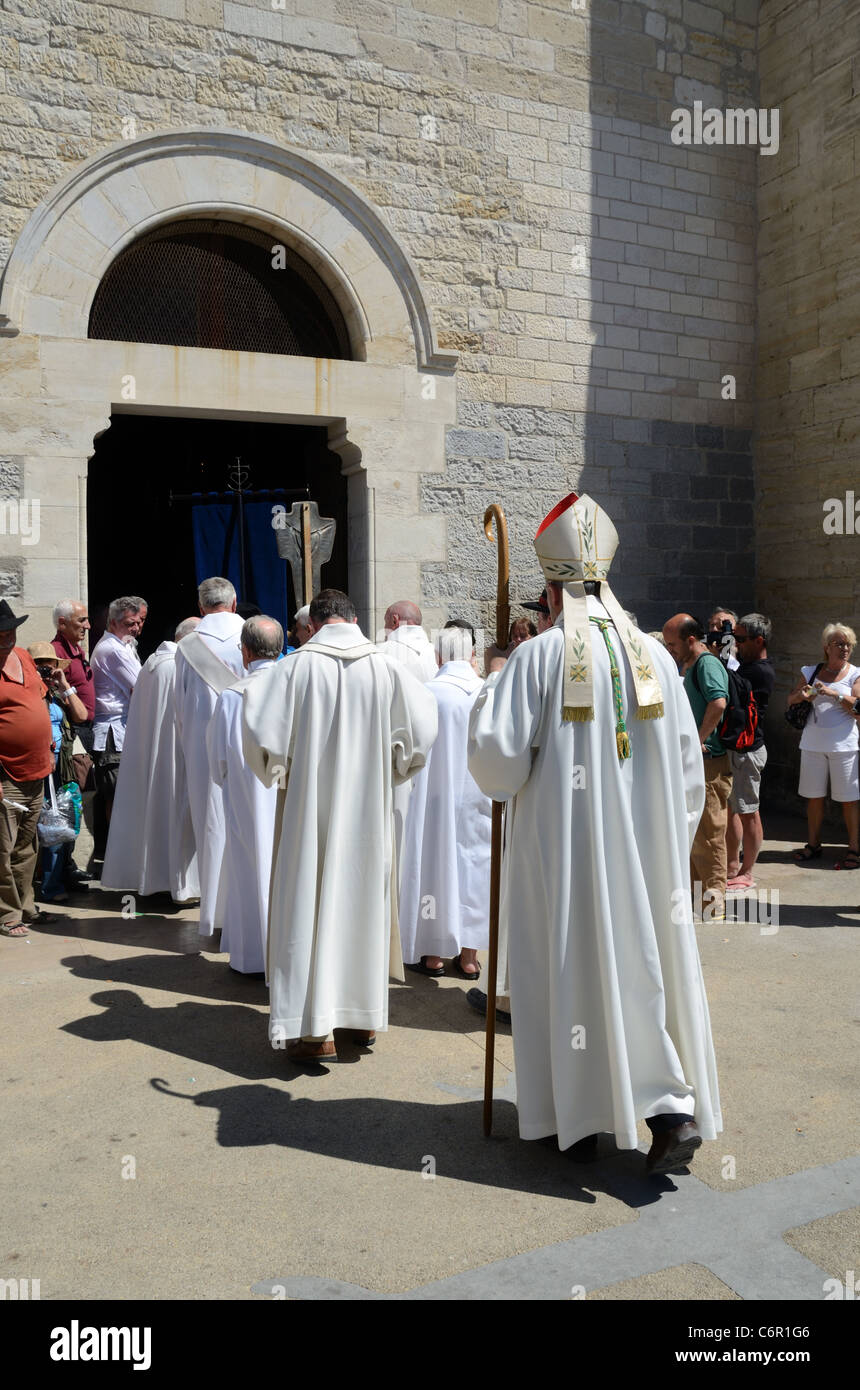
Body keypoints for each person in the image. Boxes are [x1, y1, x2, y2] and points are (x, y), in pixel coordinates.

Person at [469, 494, 720, 1175]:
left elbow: (496, 765)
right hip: (647, 860)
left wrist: (490, 688)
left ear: (552, 589)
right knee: (640, 968)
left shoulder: (538, 657)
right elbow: (689, 776)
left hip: (564, 860)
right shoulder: (656, 657)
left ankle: (577, 1123)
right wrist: (661, 839)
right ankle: (651, 1112)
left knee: (570, 975)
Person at [242, 588, 438, 1062]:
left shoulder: (293, 669)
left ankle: (314, 1032)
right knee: (360, 903)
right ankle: (361, 1019)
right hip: (368, 814)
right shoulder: (386, 668)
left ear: (314, 624)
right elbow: (420, 737)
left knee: (306, 905)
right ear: (352, 618)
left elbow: (259, 736)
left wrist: (278, 769)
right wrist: (394, 768)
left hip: (310, 812)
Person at [400, 621, 491, 981]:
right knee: (476, 870)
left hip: (435, 795)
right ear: (470, 654)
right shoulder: (487, 691)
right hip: (479, 794)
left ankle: (434, 951)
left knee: (436, 866)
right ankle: (469, 955)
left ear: (438, 654)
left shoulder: (428, 692)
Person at [101, 618, 200, 902]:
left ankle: (157, 880)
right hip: (173, 755)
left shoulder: (153, 663)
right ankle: (178, 884)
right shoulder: (175, 667)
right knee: (173, 815)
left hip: (152, 755)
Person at [207, 616, 282, 975]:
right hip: (289, 801)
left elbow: (218, 762)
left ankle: (252, 957)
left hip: (247, 799)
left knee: (250, 873)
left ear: (246, 652)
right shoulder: (297, 688)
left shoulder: (232, 697)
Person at [174, 577, 245, 936]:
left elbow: (180, 709)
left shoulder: (187, 645)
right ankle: (249, 911)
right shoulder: (255, 632)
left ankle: (214, 913)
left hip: (203, 748)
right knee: (250, 825)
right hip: (249, 745)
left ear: (201, 608)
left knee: (212, 825)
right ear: (234, 603)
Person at [663, 614, 733, 919]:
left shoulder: (706, 664)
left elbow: (718, 702)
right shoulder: (690, 663)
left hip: (709, 763)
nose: (670, 649)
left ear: (691, 640)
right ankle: (697, 900)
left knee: (710, 832)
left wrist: (697, 739)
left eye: (673, 644)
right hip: (697, 761)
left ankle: (714, 903)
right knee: (694, 830)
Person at [0, 602, 56, 937]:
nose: (8, 638)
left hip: (37, 769)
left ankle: (25, 907)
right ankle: (6, 915)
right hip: (6, 775)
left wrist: (49, 748)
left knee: (26, 846)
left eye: (11, 631)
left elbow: (40, 701)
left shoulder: (22, 656)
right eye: (1, 633)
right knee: (2, 850)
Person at [787, 623, 860, 868]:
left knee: (849, 800)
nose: (845, 648)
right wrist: (803, 695)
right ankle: (813, 844)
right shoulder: (810, 670)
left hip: (845, 746)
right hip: (812, 744)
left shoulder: (855, 674)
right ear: (826, 647)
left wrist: (834, 694)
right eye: (839, 644)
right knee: (814, 798)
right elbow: (791, 699)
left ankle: (854, 848)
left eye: (848, 644)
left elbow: (858, 707)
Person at [27, 643, 88, 905]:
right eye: (39, 663)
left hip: (63, 772)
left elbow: (82, 715)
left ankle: (63, 877)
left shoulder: (58, 696)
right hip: (40, 773)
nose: (46, 668)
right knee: (49, 832)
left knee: (68, 828)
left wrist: (63, 683)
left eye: (49, 664)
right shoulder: (28, 694)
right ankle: (50, 887)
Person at [89, 595, 148, 843]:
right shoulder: (112, 649)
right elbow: (143, 685)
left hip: (124, 729)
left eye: (141, 621)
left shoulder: (125, 645)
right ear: (112, 622)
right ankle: (120, 854)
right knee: (119, 796)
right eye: (130, 623)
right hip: (114, 733)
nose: (136, 627)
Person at [726, 613, 775, 889]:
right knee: (735, 809)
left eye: (741, 639)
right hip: (740, 749)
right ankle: (734, 867)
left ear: (759, 641)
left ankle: (747, 872)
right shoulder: (747, 666)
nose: (737, 644)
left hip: (749, 750)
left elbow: (731, 688)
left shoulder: (759, 670)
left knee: (749, 812)